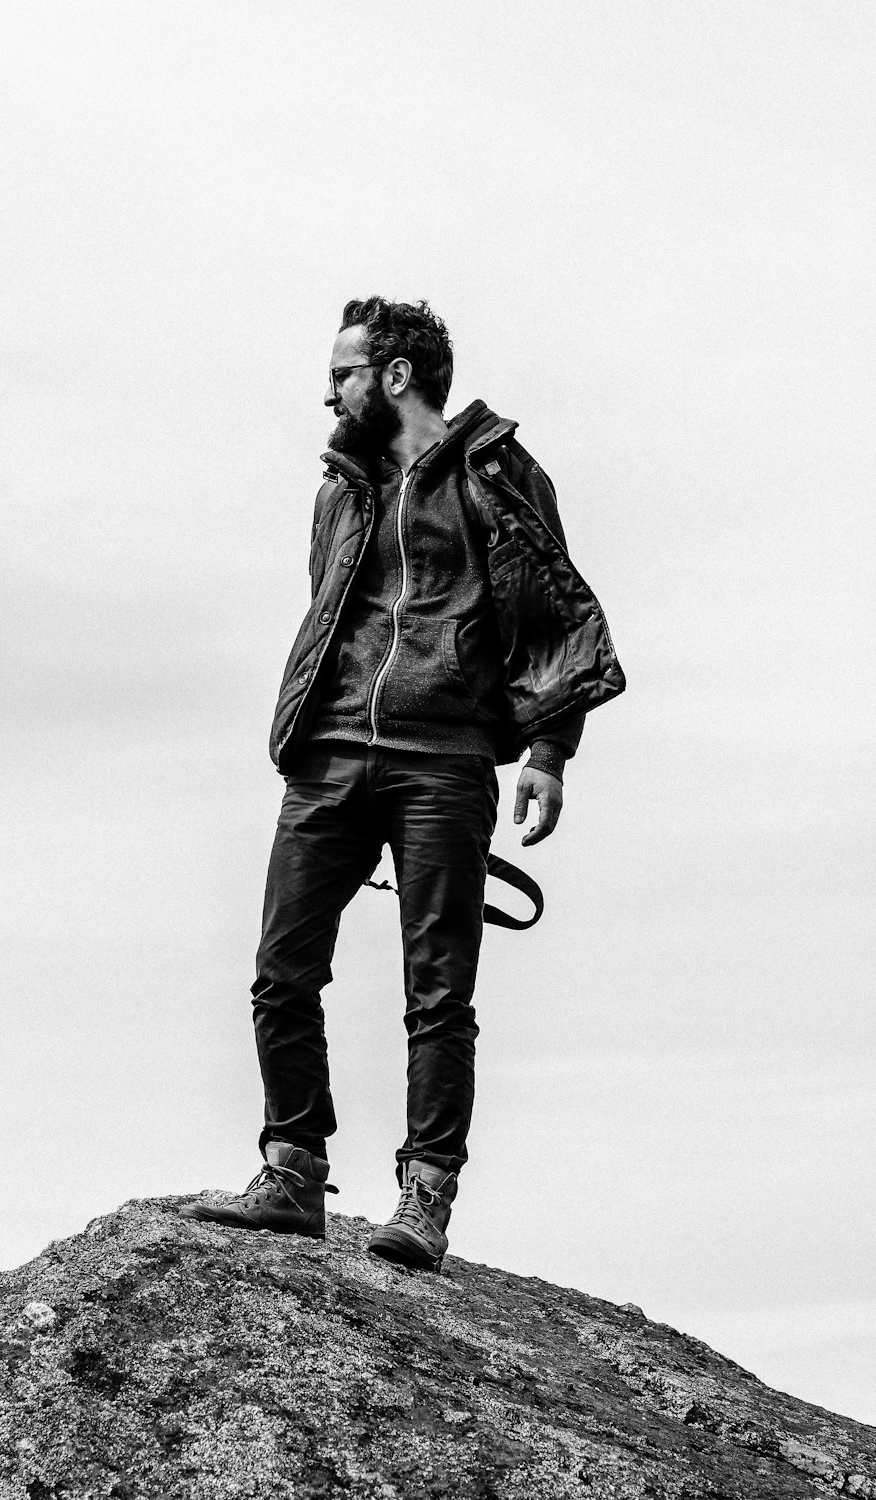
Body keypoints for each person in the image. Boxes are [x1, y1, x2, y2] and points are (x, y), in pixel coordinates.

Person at [181, 297, 624, 1271]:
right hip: (329, 753)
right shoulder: (339, 487)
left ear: (392, 376)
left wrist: (548, 752)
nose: (327, 390)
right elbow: (325, 607)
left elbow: (554, 613)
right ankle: (293, 1171)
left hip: (445, 760)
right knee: (280, 971)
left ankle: (424, 1195)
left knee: (438, 994)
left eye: (342, 371)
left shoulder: (499, 472)